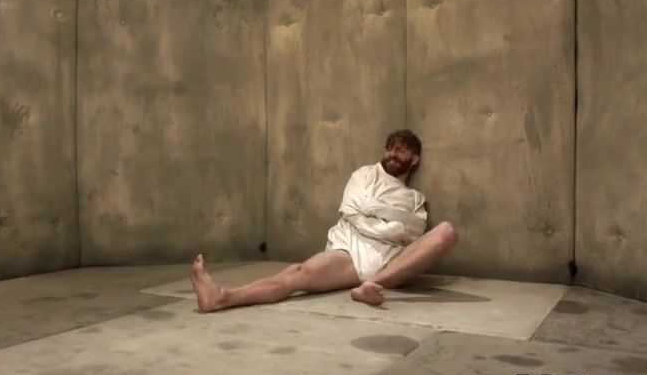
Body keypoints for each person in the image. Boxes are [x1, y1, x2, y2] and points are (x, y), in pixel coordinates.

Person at [190, 129, 457, 312]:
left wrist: (375, 214)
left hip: (390, 263)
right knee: (297, 273)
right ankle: (221, 297)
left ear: (414, 158)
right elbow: (352, 211)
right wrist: (393, 226)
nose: (391, 155)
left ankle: (372, 284)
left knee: (446, 232)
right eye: (389, 149)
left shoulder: (415, 199)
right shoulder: (364, 175)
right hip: (350, 250)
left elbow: (414, 233)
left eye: (400, 151)